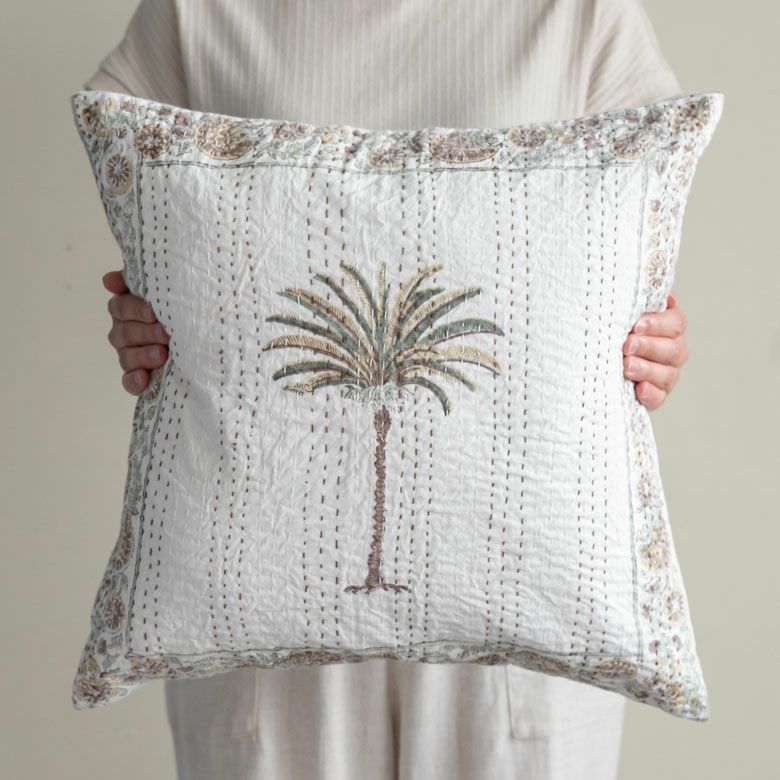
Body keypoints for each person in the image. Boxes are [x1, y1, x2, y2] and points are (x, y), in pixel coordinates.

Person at [83, 1, 691, 778]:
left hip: (529, 621)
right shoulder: (198, 14)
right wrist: (150, 314)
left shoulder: (579, 15)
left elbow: (632, 248)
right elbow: (159, 227)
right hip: (255, 626)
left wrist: (655, 339)